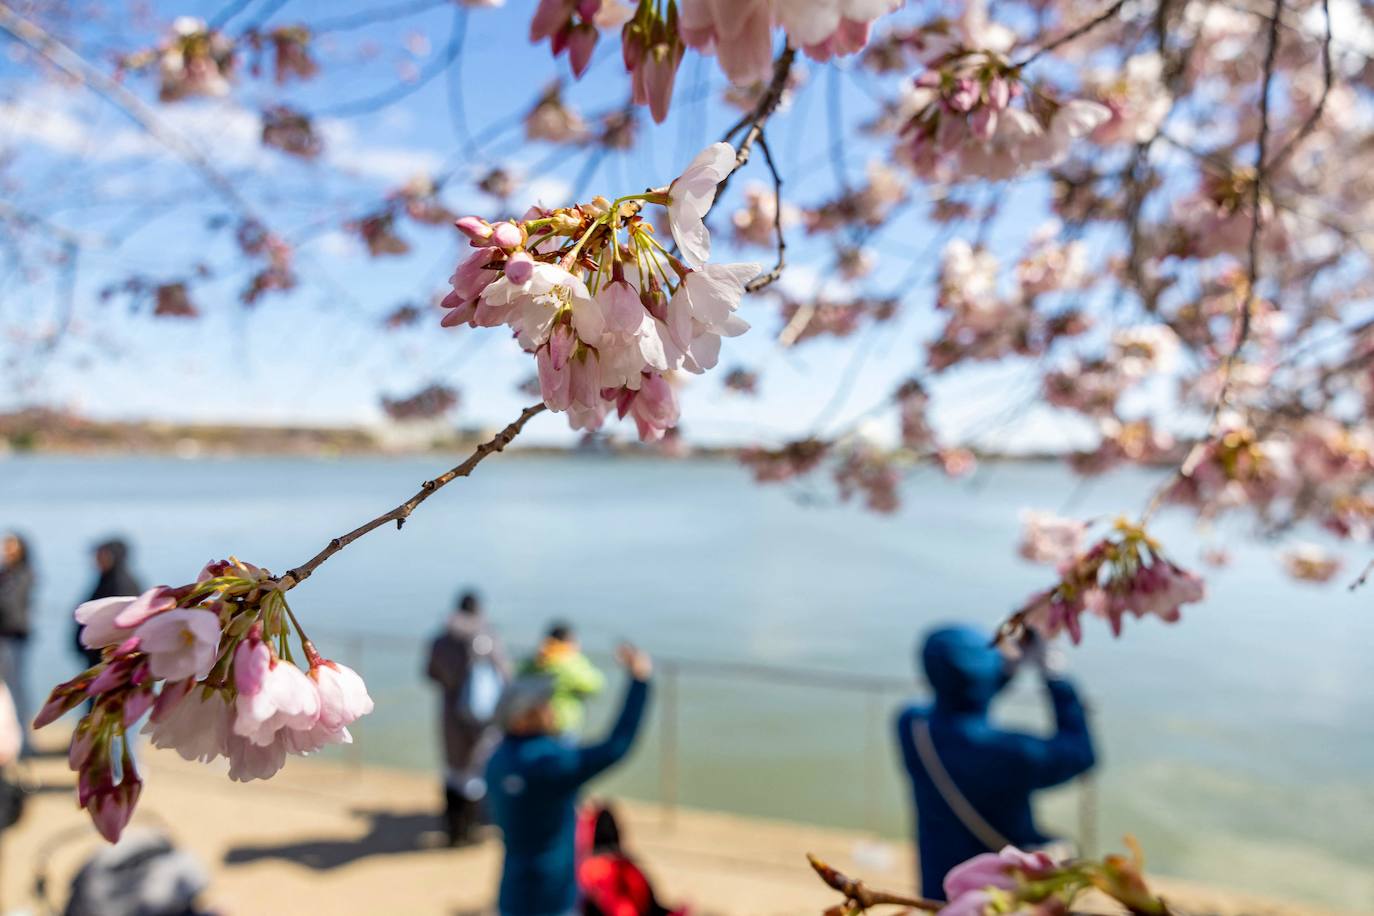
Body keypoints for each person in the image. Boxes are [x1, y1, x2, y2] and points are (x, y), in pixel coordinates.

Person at [895, 626, 1096, 900]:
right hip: (1001, 897)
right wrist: (1056, 678)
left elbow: (963, 694)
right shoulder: (1014, 754)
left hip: (939, 887)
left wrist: (1005, 671)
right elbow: (1081, 753)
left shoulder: (911, 726)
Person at [487, 643, 652, 916]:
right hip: (552, 898)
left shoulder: (497, 759)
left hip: (512, 893)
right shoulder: (548, 762)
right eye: (541, 706)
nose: (551, 710)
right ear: (521, 720)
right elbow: (616, 746)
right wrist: (640, 680)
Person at [426, 589, 510, 846]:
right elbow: (505, 674)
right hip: (481, 717)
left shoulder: (440, 639)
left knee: (453, 771)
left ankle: (453, 831)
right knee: (477, 771)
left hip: (450, 714)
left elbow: (430, 673)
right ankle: (471, 829)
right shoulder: (486, 636)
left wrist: (453, 684)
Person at [520, 621, 605, 736]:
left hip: (535, 723)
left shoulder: (536, 659)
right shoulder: (569, 661)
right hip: (563, 724)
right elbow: (596, 685)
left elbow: (517, 679)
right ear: (569, 642)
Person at [79, 539, 143, 671]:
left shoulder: (123, 584)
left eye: (101, 555)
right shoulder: (104, 580)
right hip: (97, 657)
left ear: (115, 556)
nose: (96, 560)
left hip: (110, 659)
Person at [0, 532, 34, 757]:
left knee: (16, 689)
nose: (6, 550)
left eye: (10, 546)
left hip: (13, 637)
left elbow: (9, 605)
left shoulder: (23, 574)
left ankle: (23, 742)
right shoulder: (6, 574)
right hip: (7, 636)